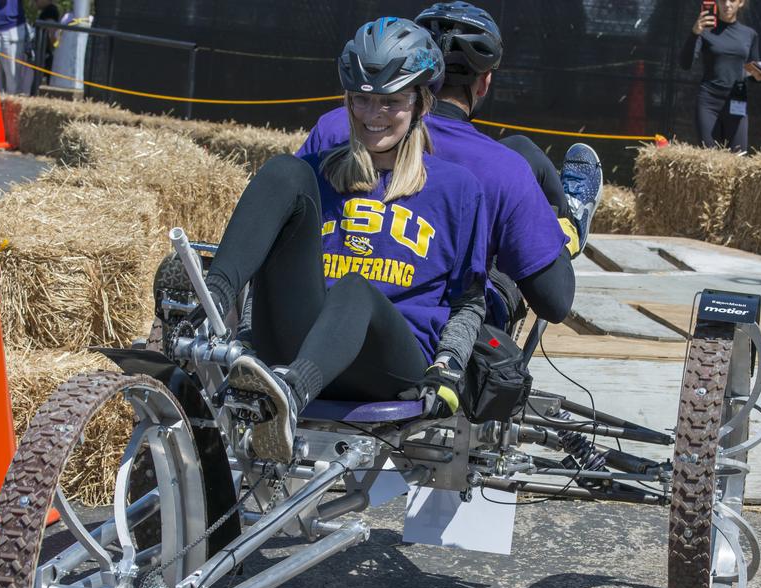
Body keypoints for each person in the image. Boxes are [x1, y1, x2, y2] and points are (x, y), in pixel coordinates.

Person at [192, 17, 490, 464]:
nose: (373, 116)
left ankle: (285, 404)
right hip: (303, 347)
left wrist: (448, 365)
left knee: (354, 289)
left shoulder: (457, 188)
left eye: (390, 102)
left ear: (422, 102)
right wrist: (250, 335)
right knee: (282, 170)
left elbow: (469, 301)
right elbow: (272, 271)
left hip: (389, 363)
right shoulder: (315, 173)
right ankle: (203, 308)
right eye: (361, 100)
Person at [298, 1, 601, 331]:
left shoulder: (335, 128)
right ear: (483, 84)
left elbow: (288, 218)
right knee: (520, 164)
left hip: (318, 315)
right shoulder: (501, 168)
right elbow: (555, 301)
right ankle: (566, 226)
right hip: (425, 337)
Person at [680, 0, 761, 152]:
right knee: (710, 159)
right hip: (709, 102)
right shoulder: (705, 31)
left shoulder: (750, 34)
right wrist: (694, 33)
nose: (727, 4)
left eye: (732, 0)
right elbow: (685, 64)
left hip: (737, 101)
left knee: (738, 157)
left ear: (740, 3)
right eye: (722, 0)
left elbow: (753, 71)